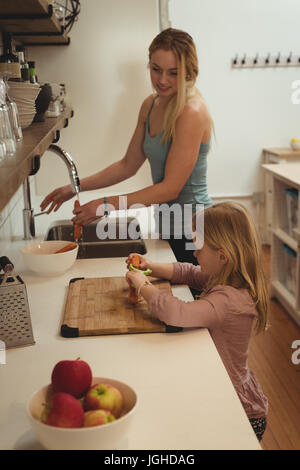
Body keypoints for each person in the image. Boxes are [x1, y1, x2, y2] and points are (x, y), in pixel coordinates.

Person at [40, 28, 213, 264]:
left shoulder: (191, 111)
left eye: (173, 73)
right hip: (167, 227)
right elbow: (127, 165)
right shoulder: (150, 105)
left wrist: (105, 205)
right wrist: (75, 186)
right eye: (156, 69)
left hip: (195, 232)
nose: (162, 80)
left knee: (190, 298)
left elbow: (170, 188)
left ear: (189, 72)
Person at [125, 202, 269, 442]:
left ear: (222, 255)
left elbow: (177, 312)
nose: (194, 252)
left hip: (238, 411)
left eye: (198, 247)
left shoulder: (227, 300)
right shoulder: (227, 276)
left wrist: (142, 285)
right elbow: (188, 272)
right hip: (229, 393)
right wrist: (150, 266)